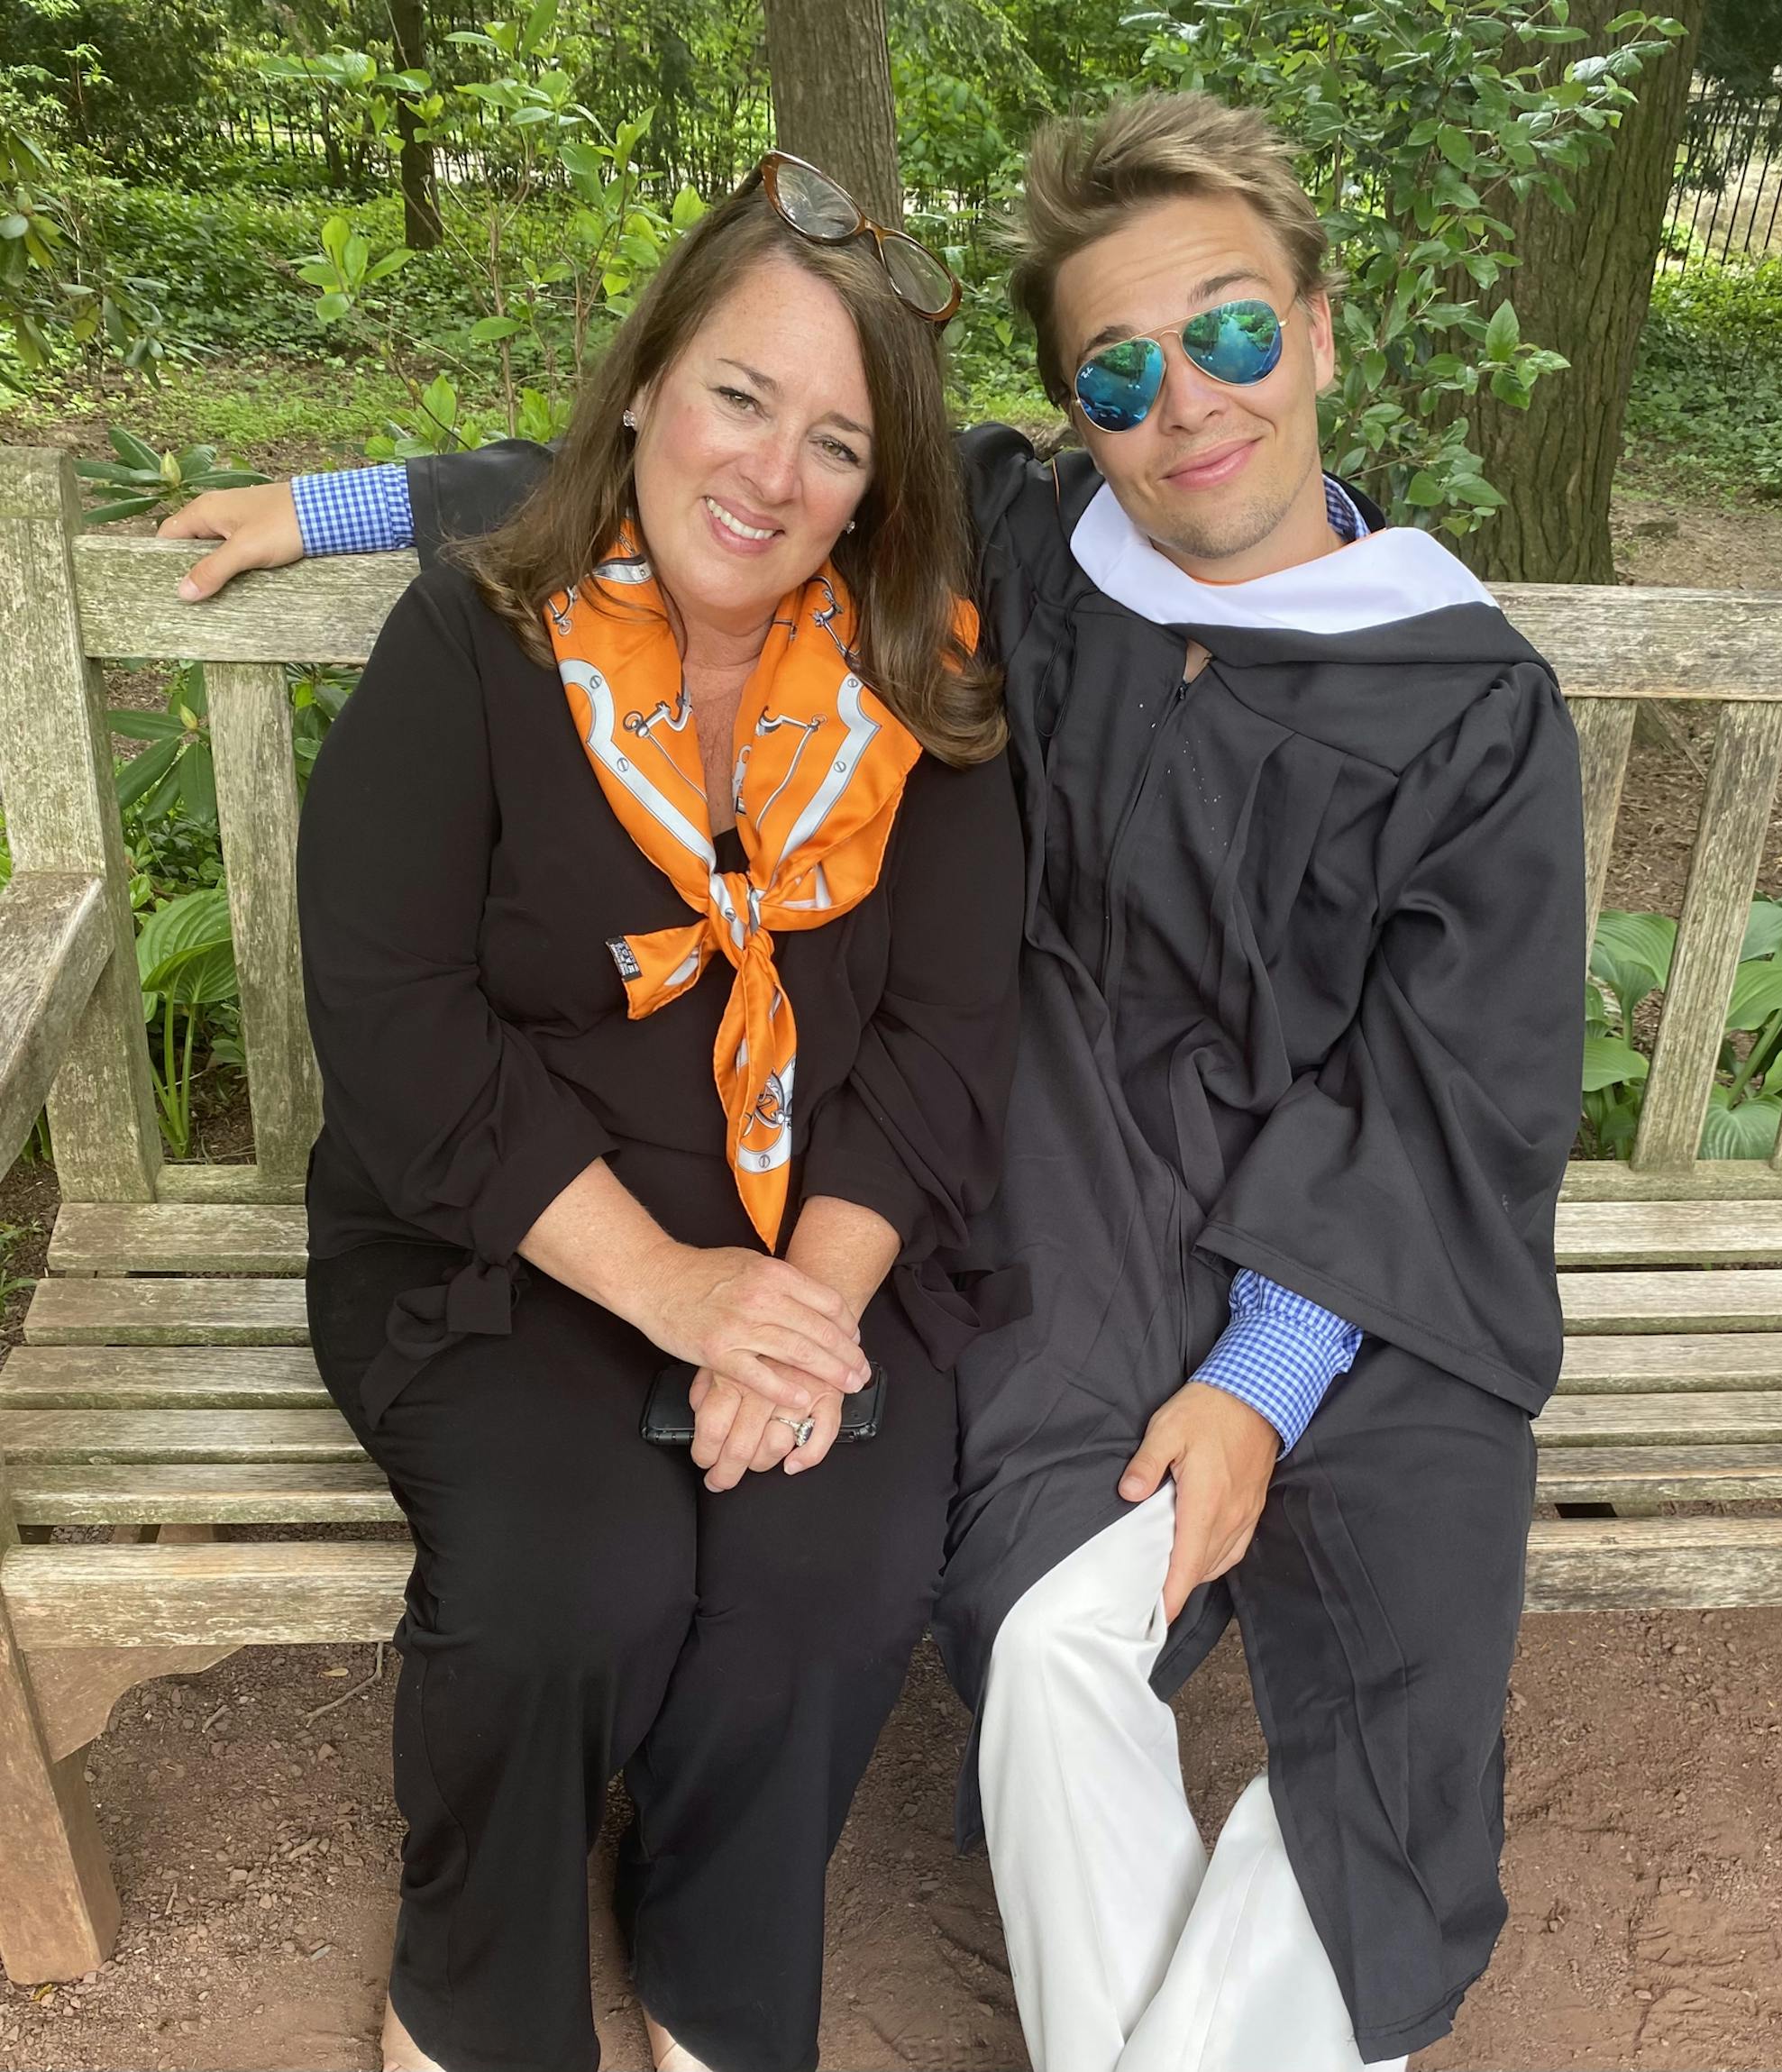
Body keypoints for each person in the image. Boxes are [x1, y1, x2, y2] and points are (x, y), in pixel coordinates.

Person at [169, 92, 1586, 2072]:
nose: (1186, 403)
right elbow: (687, 465)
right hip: (1063, 1208)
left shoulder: (1467, 705)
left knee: (1387, 1684)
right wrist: (327, 505)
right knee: (1032, 1609)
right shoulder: (1029, 553)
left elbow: (1460, 1083)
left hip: (1359, 1273)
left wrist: (1264, 1370)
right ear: (1068, 409)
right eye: (1118, 366)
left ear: (1321, 331)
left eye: (1236, 333)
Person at [254, 153, 1023, 2072]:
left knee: (832, 1579)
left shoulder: (922, 687)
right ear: (644, 388)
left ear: (880, 485)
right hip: (503, 1236)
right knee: (571, 1578)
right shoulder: (476, 638)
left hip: (817, 1240)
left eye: (835, 442)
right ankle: (478, 1988)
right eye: (740, 398)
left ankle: (714, 1970)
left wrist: (809, 1306)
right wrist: (675, 1293)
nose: (769, 474)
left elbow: (940, 1037)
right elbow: (400, 1027)